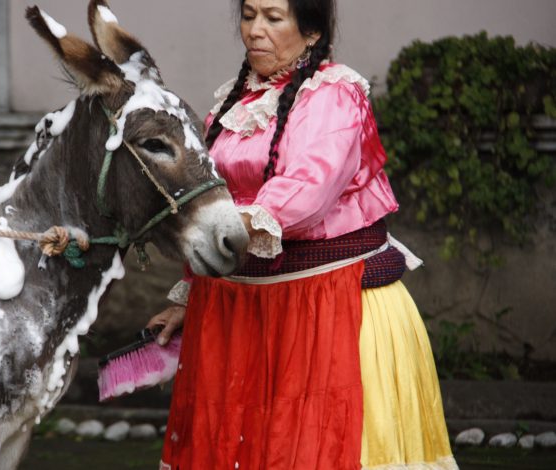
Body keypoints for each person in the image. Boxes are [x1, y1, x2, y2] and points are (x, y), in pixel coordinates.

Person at [147, 0, 457, 468]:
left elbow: (307, 189)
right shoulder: (235, 102)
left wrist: (226, 228)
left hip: (325, 307)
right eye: (249, 15)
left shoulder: (334, 94)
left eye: (273, 18)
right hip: (243, 312)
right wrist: (187, 296)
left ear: (311, 32)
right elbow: (212, 202)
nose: (254, 30)